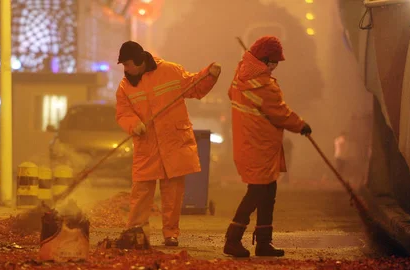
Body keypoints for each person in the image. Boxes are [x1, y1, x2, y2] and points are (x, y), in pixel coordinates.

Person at [115, 41, 221, 247]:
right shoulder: (125, 86)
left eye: (127, 64)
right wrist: (133, 124)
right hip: (147, 144)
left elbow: (195, 87)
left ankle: (171, 234)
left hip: (173, 142)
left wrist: (210, 74)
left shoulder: (171, 71)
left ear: (139, 61)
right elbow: (123, 113)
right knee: (141, 190)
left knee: (173, 192)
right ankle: (136, 230)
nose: (125, 70)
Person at [224, 36, 312, 258]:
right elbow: (280, 113)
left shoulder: (241, 75)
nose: (275, 67)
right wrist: (301, 125)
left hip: (252, 144)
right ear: (264, 60)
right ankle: (232, 239)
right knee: (257, 192)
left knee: (267, 192)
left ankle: (264, 242)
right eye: (274, 62)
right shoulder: (262, 85)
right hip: (259, 147)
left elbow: (230, 93)